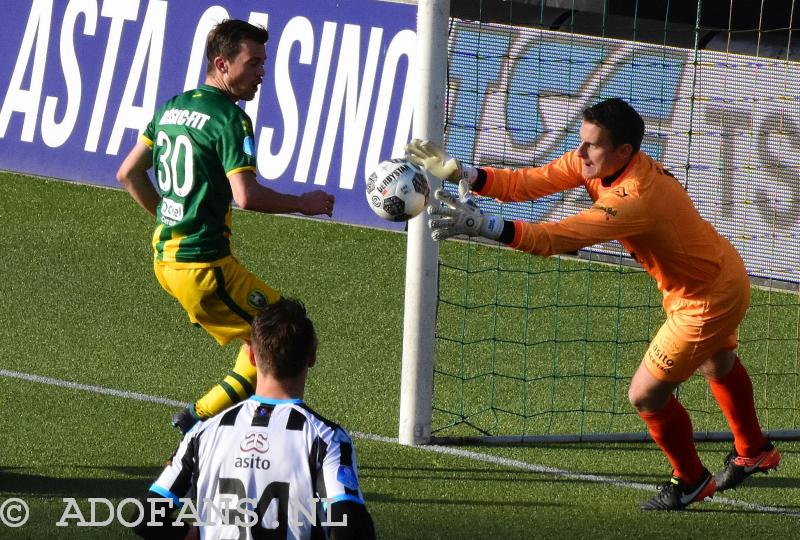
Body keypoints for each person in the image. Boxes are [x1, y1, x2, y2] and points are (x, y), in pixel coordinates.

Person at [406, 97, 781, 511]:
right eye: (581, 141)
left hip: (708, 297)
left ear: (624, 151)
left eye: (593, 145)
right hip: (714, 272)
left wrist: (486, 226)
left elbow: (555, 238)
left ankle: (690, 479)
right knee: (716, 363)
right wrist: (464, 173)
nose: (580, 152)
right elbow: (527, 183)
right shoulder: (596, 162)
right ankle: (754, 450)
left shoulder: (634, 198)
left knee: (644, 395)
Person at [117, 19, 335, 434]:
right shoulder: (230, 120)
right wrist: (304, 205)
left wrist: (171, 216)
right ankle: (206, 425)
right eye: (253, 62)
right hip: (204, 268)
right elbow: (246, 196)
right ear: (221, 63)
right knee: (290, 338)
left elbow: (128, 173)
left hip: (168, 260)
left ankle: (207, 417)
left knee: (262, 339)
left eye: (263, 62)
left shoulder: (172, 107)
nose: (262, 72)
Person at [130, 297, 376, 539]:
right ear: (312, 356)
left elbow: (143, 519)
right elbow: (351, 528)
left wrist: (192, 532)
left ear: (250, 358)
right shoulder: (327, 438)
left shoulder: (203, 433)